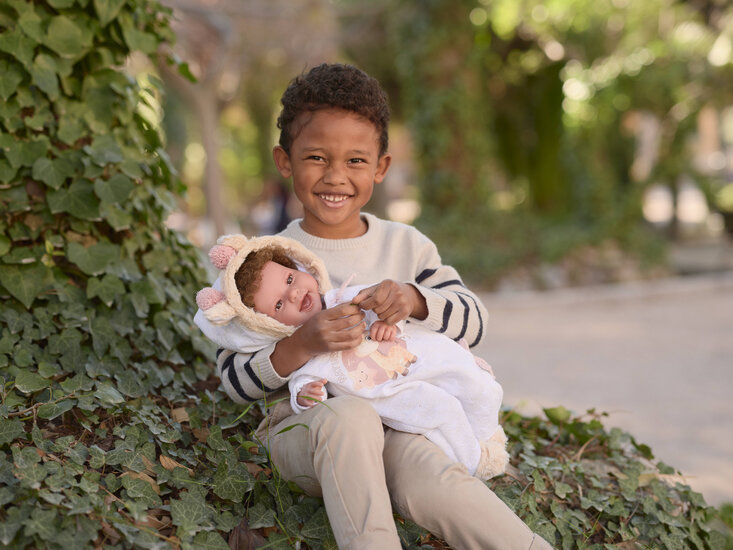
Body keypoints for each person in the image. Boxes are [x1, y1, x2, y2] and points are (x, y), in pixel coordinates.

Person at [194, 63, 553, 549]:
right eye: (317, 157)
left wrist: (415, 299)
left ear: (381, 167)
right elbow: (233, 379)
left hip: (402, 423)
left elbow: (474, 321)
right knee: (353, 419)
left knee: (432, 480)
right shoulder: (264, 262)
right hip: (308, 431)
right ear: (285, 161)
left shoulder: (408, 247)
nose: (335, 176)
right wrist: (302, 343)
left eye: (356, 161)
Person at [195, 236, 509, 480]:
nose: (292, 294)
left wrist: (395, 316)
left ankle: (487, 433)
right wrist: (304, 383)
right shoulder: (306, 345)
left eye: (290, 280)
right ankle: (475, 461)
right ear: (269, 325)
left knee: (472, 385)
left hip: (419, 361)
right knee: (440, 410)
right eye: (278, 306)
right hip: (395, 397)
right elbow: (299, 382)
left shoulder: (350, 295)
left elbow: (393, 312)